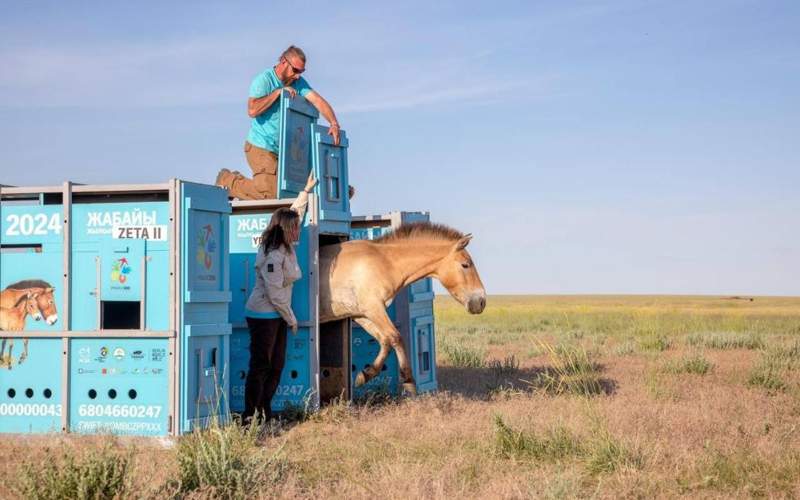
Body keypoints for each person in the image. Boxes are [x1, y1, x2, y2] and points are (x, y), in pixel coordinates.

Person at [216, 45, 340, 200]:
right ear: (283, 61)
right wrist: (277, 93)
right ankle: (228, 181)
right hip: (260, 146)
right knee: (271, 193)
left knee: (293, 192)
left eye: (301, 72)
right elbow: (252, 110)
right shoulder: (264, 80)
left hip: (284, 153)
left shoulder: (298, 83)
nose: (297, 76)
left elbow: (318, 101)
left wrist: (334, 123)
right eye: (295, 70)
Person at [242, 171, 317, 422]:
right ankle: (250, 416)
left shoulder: (285, 245)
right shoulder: (273, 254)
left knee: (276, 366)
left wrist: (305, 191)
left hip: (276, 315)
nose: (298, 230)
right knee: (262, 366)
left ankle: (264, 410)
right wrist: (291, 319)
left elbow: (296, 210)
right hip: (264, 315)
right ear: (286, 230)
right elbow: (275, 294)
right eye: (295, 228)